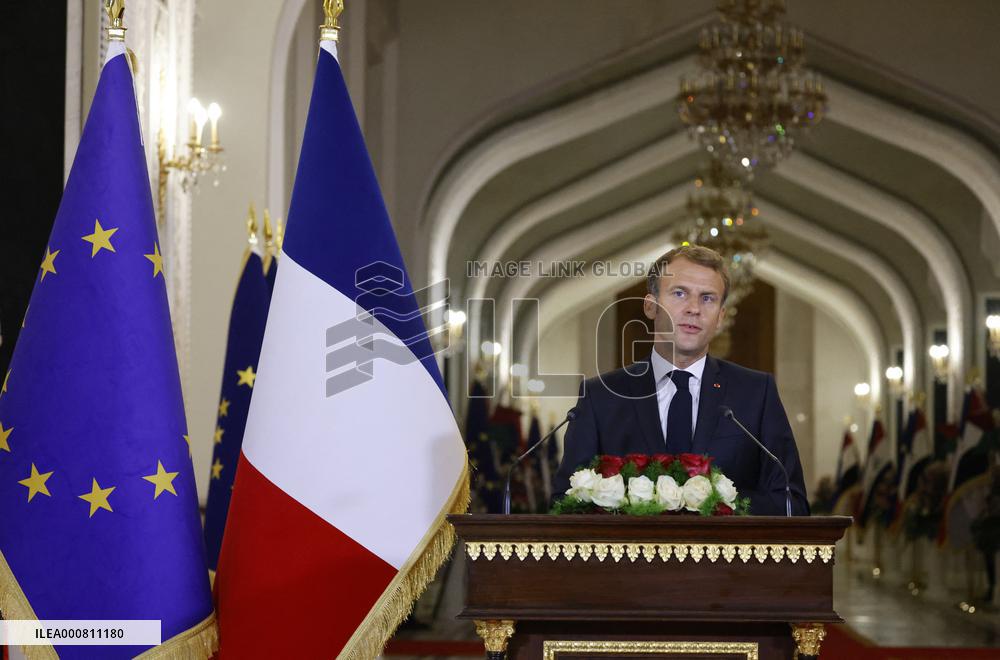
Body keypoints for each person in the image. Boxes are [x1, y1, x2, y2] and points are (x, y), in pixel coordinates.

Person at [553, 245, 809, 515]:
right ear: (650, 306)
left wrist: (719, 503)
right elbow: (565, 502)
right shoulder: (602, 396)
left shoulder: (756, 393)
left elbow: (793, 503)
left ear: (721, 317)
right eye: (679, 293)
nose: (694, 309)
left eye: (708, 298)